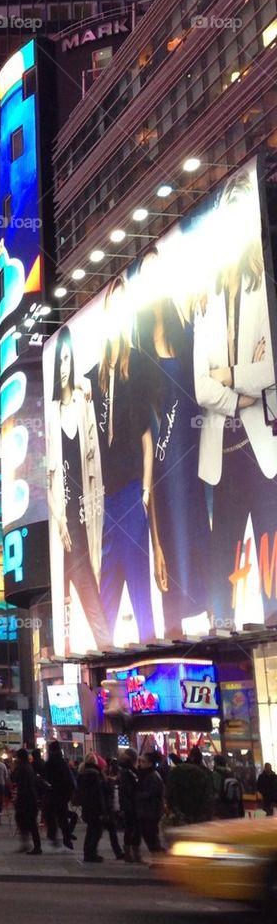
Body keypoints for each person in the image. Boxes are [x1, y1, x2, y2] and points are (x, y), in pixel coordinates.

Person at [193, 170, 277, 628]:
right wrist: (241, 391)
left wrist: (226, 374)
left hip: (262, 449)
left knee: (271, 570)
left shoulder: (263, 290)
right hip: (220, 456)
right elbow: (199, 387)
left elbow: (270, 370)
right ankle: (222, 629)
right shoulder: (206, 301)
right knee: (222, 571)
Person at [133, 245, 211, 634]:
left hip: (204, 468)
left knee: (213, 580)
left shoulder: (189, 329)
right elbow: (145, 441)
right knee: (176, 593)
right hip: (166, 481)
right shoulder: (140, 355)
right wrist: (157, 542)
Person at [88, 274, 160, 646]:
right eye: (111, 305)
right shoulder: (97, 375)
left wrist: (145, 491)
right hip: (105, 497)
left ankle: (150, 647)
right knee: (107, 589)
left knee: (138, 583)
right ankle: (103, 657)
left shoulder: (138, 365)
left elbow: (147, 438)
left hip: (131, 489)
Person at [46, 326, 110, 652]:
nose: (62, 367)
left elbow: (96, 461)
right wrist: (59, 521)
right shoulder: (50, 415)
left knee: (90, 597)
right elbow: (47, 481)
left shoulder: (84, 403)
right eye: (59, 360)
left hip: (83, 525)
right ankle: (89, 649)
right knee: (63, 610)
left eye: (67, 358)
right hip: (61, 534)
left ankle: (104, 646)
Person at [76, 754, 108, 862]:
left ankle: (88, 853)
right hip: (95, 806)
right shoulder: (95, 774)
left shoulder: (82, 774)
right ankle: (92, 853)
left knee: (90, 830)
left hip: (87, 806)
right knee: (96, 831)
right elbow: (99, 793)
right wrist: (102, 808)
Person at [44, 741, 75, 849]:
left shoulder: (51, 762)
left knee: (52, 815)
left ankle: (53, 836)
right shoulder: (62, 762)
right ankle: (66, 838)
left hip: (55, 792)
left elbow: (46, 776)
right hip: (64, 793)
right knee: (62, 816)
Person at [11, 748, 42, 855]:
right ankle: (29, 843)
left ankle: (35, 846)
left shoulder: (22, 767)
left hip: (26, 798)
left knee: (28, 822)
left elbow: (17, 780)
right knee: (26, 821)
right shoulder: (28, 766)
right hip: (30, 797)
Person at [135, 751, 165, 857]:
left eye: (143, 761)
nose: (140, 764)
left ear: (150, 763)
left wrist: (138, 795)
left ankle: (158, 856)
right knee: (149, 834)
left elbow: (152, 794)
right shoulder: (148, 775)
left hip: (150, 811)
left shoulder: (152, 776)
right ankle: (157, 856)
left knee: (150, 835)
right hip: (148, 811)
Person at [118, 749, 141, 863]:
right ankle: (132, 853)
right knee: (133, 829)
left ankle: (131, 852)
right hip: (132, 805)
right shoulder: (129, 772)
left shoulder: (125, 771)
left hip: (129, 805)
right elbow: (129, 790)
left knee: (131, 829)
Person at [212, 754, 244, 819]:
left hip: (221, 803)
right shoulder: (231, 772)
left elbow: (216, 788)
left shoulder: (216, 773)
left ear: (216, 763)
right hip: (234, 802)